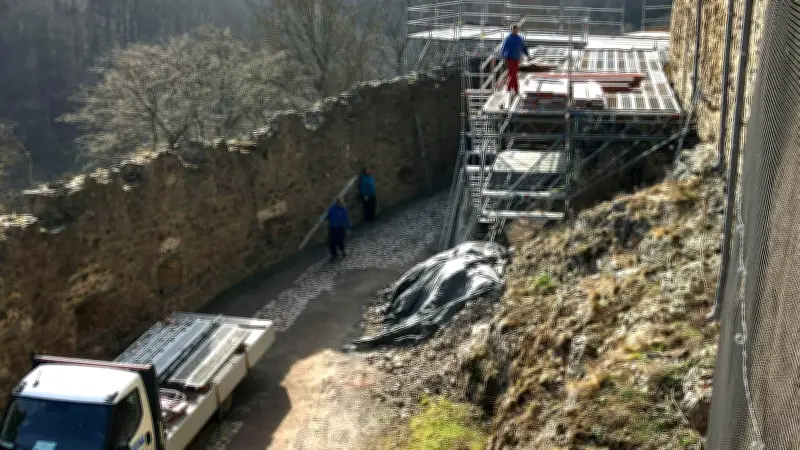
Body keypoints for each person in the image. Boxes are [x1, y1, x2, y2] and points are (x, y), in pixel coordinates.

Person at [500, 24, 529, 97]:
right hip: (509, 59)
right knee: (513, 75)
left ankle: (509, 88)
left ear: (518, 30)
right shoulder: (508, 38)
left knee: (512, 75)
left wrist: (528, 55)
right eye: (514, 29)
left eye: (517, 29)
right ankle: (516, 89)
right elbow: (503, 49)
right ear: (511, 30)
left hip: (516, 59)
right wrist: (504, 57)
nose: (515, 31)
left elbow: (524, 48)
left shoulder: (520, 39)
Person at [326, 197, 351, 262]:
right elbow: (327, 215)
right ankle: (334, 255)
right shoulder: (331, 208)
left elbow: (346, 219)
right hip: (332, 228)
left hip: (340, 228)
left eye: (340, 202)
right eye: (338, 202)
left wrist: (348, 228)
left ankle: (342, 251)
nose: (339, 203)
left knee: (340, 241)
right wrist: (322, 218)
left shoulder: (343, 209)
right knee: (332, 242)